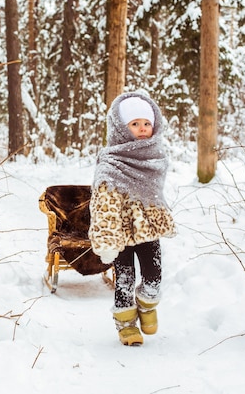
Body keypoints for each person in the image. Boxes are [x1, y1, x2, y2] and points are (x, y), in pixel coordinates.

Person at [88, 90, 176, 346]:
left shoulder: (155, 158)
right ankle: (126, 323)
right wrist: (106, 242)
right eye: (135, 124)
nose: (142, 129)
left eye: (147, 123)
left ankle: (147, 304)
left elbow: (154, 195)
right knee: (124, 279)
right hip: (120, 233)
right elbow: (103, 204)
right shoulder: (110, 162)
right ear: (121, 127)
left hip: (147, 230)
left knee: (154, 276)